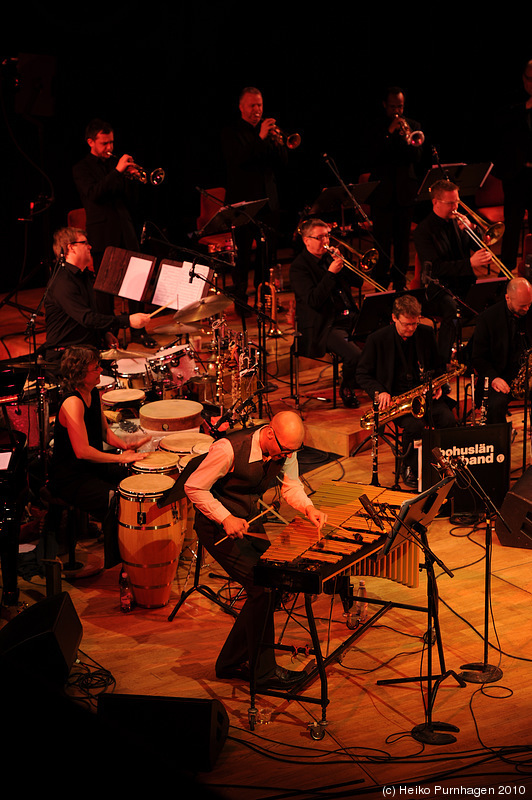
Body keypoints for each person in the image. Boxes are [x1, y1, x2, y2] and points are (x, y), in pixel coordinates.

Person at [183, 411, 327, 689]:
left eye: (292, 452)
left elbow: (291, 485)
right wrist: (225, 517)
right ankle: (264, 674)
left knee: (275, 584)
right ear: (270, 433)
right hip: (216, 527)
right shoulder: (228, 449)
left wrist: (308, 507)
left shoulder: (285, 449)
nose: (286, 456)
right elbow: (194, 486)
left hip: (249, 522)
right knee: (262, 589)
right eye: (284, 450)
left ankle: (229, 662)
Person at [48, 345, 150, 566]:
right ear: (80, 373)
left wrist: (126, 447)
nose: (100, 371)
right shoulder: (72, 402)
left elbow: (104, 431)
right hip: (70, 477)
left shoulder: (93, 393)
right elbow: (82, 451)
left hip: (91, 468)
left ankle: (139, 544)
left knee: (134, 481)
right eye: (95, 368)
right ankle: (119, 564)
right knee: (116, 499)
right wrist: (120, 458)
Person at [356, 294, 456, 489]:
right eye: (406, 324)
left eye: (414, 324)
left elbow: (438, 367)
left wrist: (437, 386)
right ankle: (409, 466)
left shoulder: (425, 333)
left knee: (448, 420)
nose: (411, 329)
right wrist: (380, 392)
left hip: (425, 396)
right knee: (414, 426)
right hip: (395, 400)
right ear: (394, 318)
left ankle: (442, 464)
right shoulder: (377, 339)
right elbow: (362, 373)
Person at [73, 118, 156, 346]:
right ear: (91, 142)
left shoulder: (114, 167)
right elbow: (94, 195)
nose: (109, 148)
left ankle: (138, 332)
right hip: (103, 234)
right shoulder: (81, 169)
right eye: (104, 143)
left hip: (126, 229)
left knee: (137, 283)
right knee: (105, 290)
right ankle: (109, 333)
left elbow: (130, 202)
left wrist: (132, 178)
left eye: (111, 142)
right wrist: (118, 172)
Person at [221, 87, 288, 316]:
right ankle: (241, 304)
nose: (257, 110)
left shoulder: (267, 131)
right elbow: (239, 161)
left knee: (266, 256)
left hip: (269, 204)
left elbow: (281, 163)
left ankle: (265, 300)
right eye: (252, 105)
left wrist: (277, 143)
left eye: (259, 105)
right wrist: (260, 138)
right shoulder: (231, 133)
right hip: (243, 204)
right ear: (241, 107)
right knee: (241, 259)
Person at [413, 178, 492, 364]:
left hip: (464, 283)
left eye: (457, 201)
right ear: (435, 202)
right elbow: (436, 268)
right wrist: (469, 263)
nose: (455, 207)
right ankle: (441, 362)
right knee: (451, 309)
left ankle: (470, 353)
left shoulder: (458, 222)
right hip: (438, 289)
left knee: (496, 301)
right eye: (450, 203)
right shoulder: (423, 231)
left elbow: (479, 245)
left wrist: (472, 229)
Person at [44, 227, 152, 362]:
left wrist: (104, 333)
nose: (90, 246)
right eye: (84, 243)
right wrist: (128, 321)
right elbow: (87, 318)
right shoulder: (62, 282)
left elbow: (87, 318)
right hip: (66, 358)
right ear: (71, 247)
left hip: (84, 351)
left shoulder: (83, 276)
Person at [289, 218, 363, 408]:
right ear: (306, 240)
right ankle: (347, 387)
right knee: (353, 355)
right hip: (326, 325)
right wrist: (330, 274)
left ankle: (372, 382)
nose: (325, 241)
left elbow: (359, 281)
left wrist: (343, 263)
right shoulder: (299, 267)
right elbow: (313, 300)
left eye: (327, 236)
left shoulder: (331, 258)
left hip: (350, 316)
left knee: (382, 336)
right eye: (320, 237)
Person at [362, 86, 429, 291]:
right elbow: (372, 156)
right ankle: (380, 286)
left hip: (405, 194)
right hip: (382, 195)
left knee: (402, 245)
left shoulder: (413, 125)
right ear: (384, 105)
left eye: (400, 106)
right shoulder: (376, 127)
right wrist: (389, 133)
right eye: (393, 107)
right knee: (382, 243)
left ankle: (400, 284)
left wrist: (405, 137)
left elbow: (417, 158)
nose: (397, 111)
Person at [471, 277, 532, 424]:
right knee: (496, 405)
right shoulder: (488, 318)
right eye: (522, 305)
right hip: (499, 378)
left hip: (527, 376)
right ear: (507, 298)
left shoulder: (530, 311)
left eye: (529, 304)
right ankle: (501, 443)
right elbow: (478, 358)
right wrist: (494, 378)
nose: (527, 309)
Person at [493, 59, 532, 272]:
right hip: (516, 175)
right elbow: (498, 124)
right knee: (512, 226)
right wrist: (526, 107)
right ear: (524, 78)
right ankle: (505, 273)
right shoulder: (512, 100)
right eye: (531, 79)